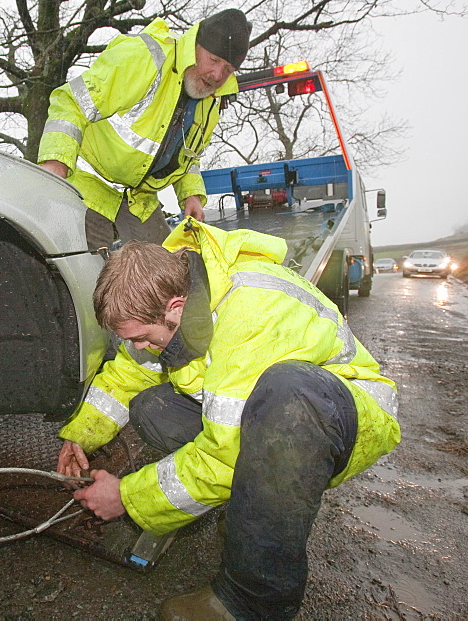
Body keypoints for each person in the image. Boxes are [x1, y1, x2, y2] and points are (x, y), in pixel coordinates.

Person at [56, 219, 401, 619]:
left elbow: (228, 452)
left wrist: (128, 498)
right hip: (268, 415)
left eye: (142, 336)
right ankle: (251, 505)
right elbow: (128, 373)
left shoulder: (251, 314)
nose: (139, 347)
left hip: (340, 416)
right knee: (153, 408)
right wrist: (80, 436)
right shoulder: (172, 299)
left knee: (285, 394)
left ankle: (251, 602)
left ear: (175, 307)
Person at [37, 9, 251, 251]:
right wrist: (55, 163)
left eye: (228, 69)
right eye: (213, 60)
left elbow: (186, 155)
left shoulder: (209, 101)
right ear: (195, 47)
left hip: (138, 196)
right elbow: (71, 103)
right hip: (88, 182)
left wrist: (191, 195)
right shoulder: (145, 58)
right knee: (92, 269)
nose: (217, 75)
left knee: (163, 271)